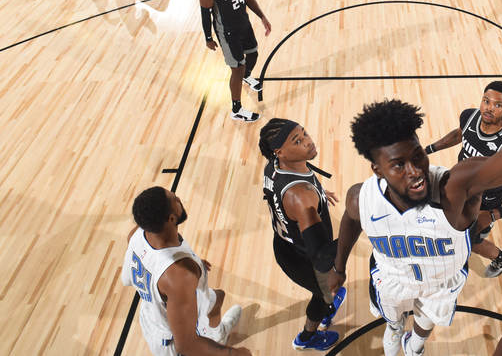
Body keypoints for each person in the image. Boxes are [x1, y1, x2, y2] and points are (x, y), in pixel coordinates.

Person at [329, 46, 502, 356]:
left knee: (425, 324)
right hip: (393, 277)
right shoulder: (361, 196)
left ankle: (414, 344)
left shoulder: (456, 187)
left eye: (418, 156)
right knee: (393, 320)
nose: (415, 172)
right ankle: (395, 329)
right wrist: (338, 267)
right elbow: (350, 220)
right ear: (377, 169)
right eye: (399, 165)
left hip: (440, 282)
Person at [121, 186, 250, 356]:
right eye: (174, 199)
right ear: (172, 218)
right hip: (171, 339)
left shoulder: (138, 233)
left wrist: (193, 263)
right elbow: (187, 346)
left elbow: (151, 261)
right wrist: (232, 354)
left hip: (161, 306)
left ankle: (218, 336)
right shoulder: (179, 276)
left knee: (217, 297)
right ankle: (217, 344)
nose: (178, 198)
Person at [424, 81, 502, 278]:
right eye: (486, 101)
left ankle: (501, 256)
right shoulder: (469, 116)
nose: (489, 108)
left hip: (483, 203)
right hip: (457, 186)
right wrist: (429, 149)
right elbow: (460, 134)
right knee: (438, 221)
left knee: (470, 239)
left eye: (498, 105)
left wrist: (490, 215)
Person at [260, 119, 346, 351]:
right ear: (280, 152)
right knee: (324, 294)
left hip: (285, 244)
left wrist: (318, 193)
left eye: (304, 133)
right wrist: (355, 228)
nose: (308, 142)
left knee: (328, 290)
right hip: (304, 257)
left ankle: (327, 303)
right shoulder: (301, 197)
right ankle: (307, 337)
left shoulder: (274, 166)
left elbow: (278, 195)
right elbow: (321, 256)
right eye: (297, 141)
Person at [200, 0, 271, 122]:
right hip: (228, 33)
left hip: (244, 25)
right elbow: (205, 12)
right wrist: (208, 37)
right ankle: (236, 109)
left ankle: (247, 76)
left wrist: (262, 16)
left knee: (253, 55)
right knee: (237, 69)